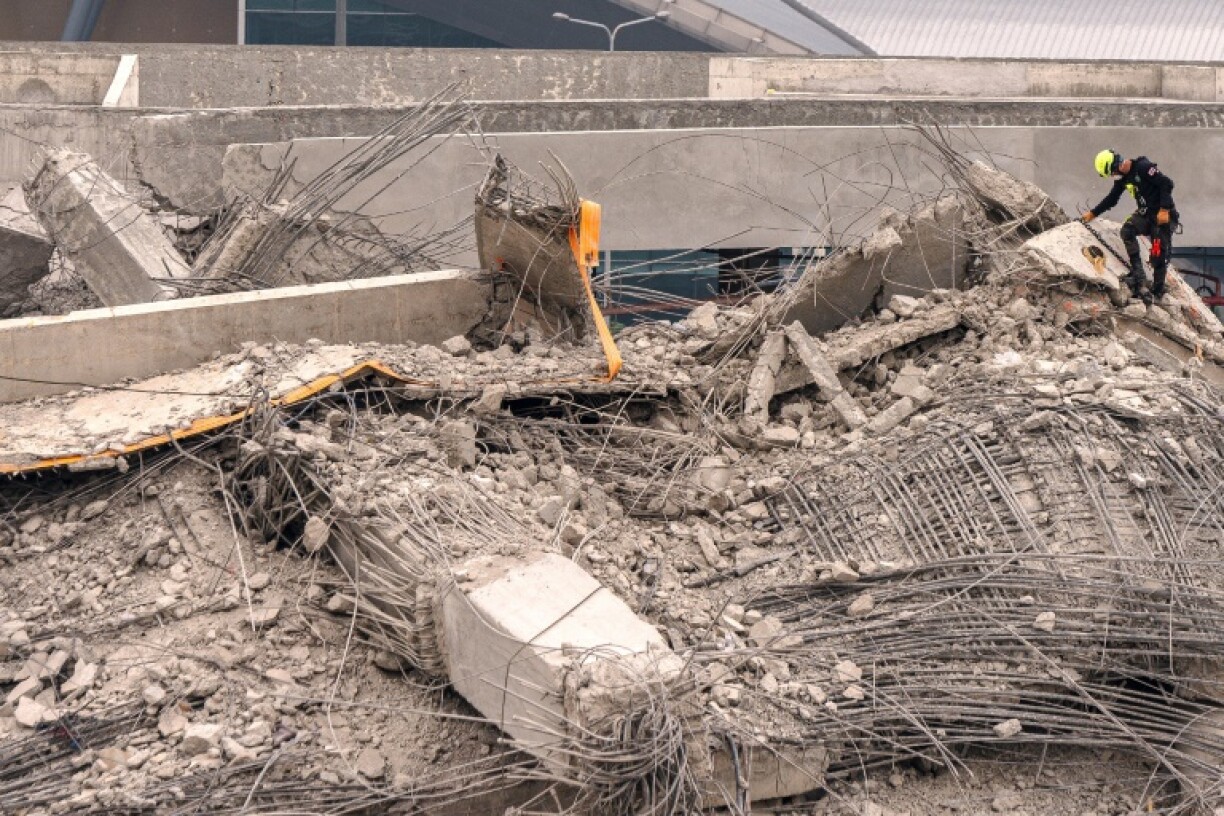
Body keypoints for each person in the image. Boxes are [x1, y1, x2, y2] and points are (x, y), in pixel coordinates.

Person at [1080, 149, 1177, 299]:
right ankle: (1139, 275)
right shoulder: (1123, 178)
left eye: (1112, 173)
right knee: (1127, 230)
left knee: (1158, 255)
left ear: (1116, 165)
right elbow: (1112, 198)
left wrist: (1164, 209)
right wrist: (1093, 213)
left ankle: (1158, 292)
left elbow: (1167, 183)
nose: (1113, 176)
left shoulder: (1143, 167)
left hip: (1162, 217)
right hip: (1146, 215)